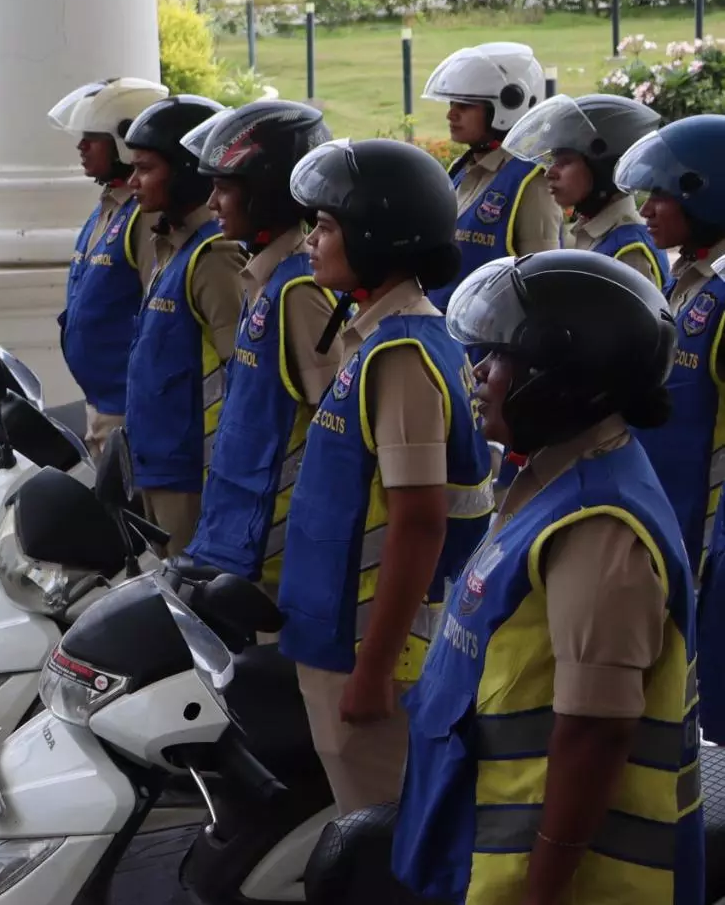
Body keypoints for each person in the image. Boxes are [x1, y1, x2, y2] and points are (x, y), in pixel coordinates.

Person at [393, 249, 702, 905]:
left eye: (496, 363)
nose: (477, 380)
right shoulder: (551, 476)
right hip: (548, 852)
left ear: (563, 380)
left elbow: (593, 728)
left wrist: (542, 893)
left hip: (589, 876)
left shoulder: (598, 532)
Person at [277, 138, 495, 814]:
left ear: (376, 236)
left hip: (374, 648)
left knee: (380, 834)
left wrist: (372, 672)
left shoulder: (399, 355)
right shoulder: (379, 338)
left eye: (325, 227)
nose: (309, 241)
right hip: (338, 632)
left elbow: (420, 521)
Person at [183, 101, 341, 589]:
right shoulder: (264, 278)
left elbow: (334, 424)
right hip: (238, 529)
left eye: (225, 189)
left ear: (267, 195)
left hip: (275, 541)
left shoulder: (300, 292)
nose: (211, 204)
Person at [616, 114, 725, 738]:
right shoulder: (689, 277)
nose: (648, 209)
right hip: (671, 530)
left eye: (664, 195)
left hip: (708, 548)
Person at [119, 94, 239, 556]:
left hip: (190, 472)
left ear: (188, 170)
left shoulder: (214, 257)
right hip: (155, 461)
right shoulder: (170, 245)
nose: (132, 181)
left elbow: (241, 373)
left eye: (146, 168)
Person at [48, 77, 167, 457]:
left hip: (128, 410)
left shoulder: (145, 217)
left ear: (124, 141)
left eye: (91, 136)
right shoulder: (110, 206)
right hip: (102, 404)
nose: (81, 146)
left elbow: (158, 311)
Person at [422, 41, 558, 312]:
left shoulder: (530, 182)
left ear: (509, 106)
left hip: (491, 344)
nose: (451, 113)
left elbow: (545, 281)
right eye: (452, 102)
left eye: (465, 105)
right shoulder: (462, 169)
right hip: (450, 335)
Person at [511, 94, 666, 291]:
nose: (549, 172)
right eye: (552, 161)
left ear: (605, 168)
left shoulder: (628, 251)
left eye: (565, 162)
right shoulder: (596, 233)